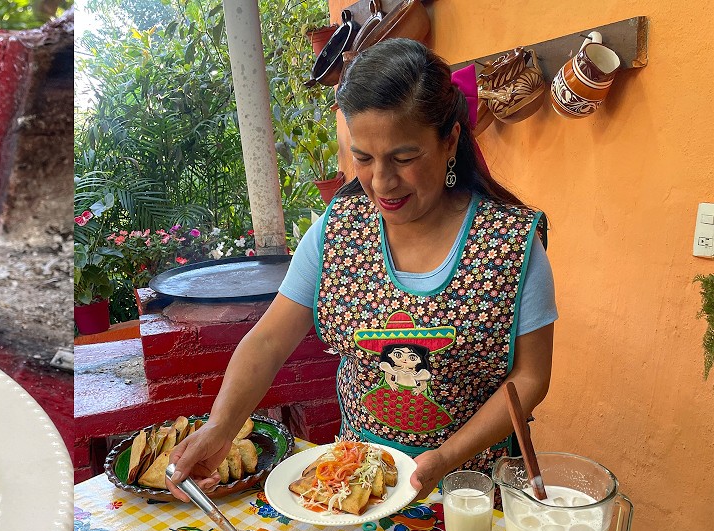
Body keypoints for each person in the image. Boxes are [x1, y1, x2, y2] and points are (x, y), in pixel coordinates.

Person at [167, 39, 557, 503]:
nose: (381, 182)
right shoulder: (337, 231)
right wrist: (220, 427)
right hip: (353, 487)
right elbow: (269, 341)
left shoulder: (510, 244)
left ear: (450, 141)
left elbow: (530, 377)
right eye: (364, 158)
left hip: (471, 492)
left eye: (404, 158)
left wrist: (445, 458)